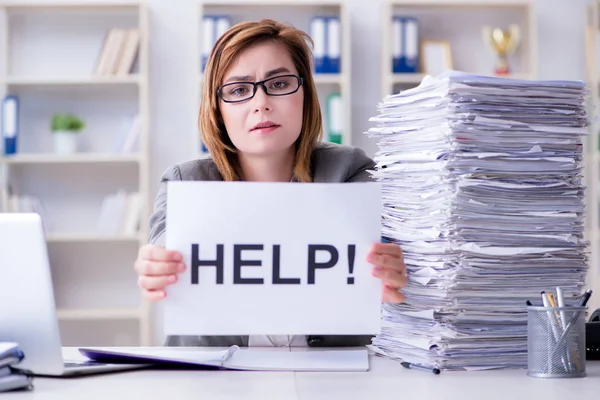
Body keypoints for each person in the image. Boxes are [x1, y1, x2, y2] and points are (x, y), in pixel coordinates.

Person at [134, 19, 407, 348]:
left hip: (334, 380)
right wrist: (157, 265)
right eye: (238, 90)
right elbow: (164, 246)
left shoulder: (349, 170)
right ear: (217, 110)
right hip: (210, 383)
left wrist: (399, 272)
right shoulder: (186, 181)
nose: (260, 103)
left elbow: (394, 263)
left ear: (305, 94)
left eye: (278, 84)